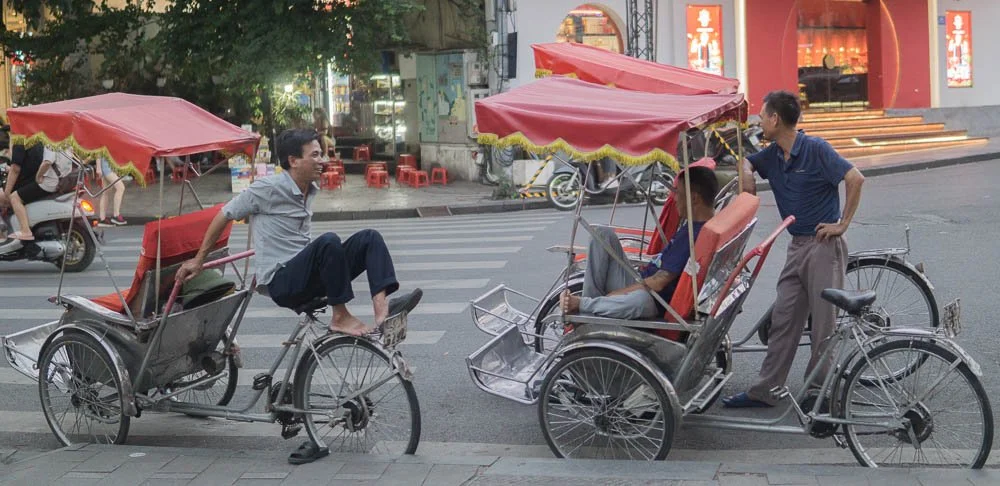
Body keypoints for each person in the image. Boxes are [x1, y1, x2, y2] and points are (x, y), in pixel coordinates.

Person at [175, 128, 420, 336]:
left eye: (321, 154)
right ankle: (340, 316)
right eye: (315, 155)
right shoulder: (267, 188)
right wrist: (199, 260)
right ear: (293, 161)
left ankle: (382, 313)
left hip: (306, 275)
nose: (322, 160)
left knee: (370, 238)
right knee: (329, 241)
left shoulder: (309, 189)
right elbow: (225, 214)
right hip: (282, 282)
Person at [722, 90, 864, 408]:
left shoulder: (815, 149)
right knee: (783, 320)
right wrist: (746, 173)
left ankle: (819, 394)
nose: (759, 121)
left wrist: (842, 224)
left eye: (762, 116)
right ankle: (765, 390)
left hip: (823, 246)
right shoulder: (773, 155)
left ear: (775, 119)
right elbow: (746, 162)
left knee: (823, 326)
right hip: (796, 245)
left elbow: (855, 178)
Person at [560, 166, 718, 319]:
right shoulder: (694, 225)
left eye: (678, 193)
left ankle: (585, 305)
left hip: (654, 299)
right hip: (642, 279)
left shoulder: (696, 234)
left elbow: (659, 282)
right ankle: (594, 308)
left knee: (639, 301)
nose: (675, 198)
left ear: (694, 198)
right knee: (601, 233)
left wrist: (618, 294)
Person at [6, 145, 74, 240]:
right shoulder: (67, 144)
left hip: (50, 182)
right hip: (63, 181)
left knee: (14, 197)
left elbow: (47, 162)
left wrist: (38, 176)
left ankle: (25, 231)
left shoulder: (51, 143)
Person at [95, 156, 127, 227]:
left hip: (108, 164)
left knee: (106, 192)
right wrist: (98, 167)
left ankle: (102, 219)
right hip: (107, 165)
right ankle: (116, 215)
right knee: (120, 188)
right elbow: (99, 151)